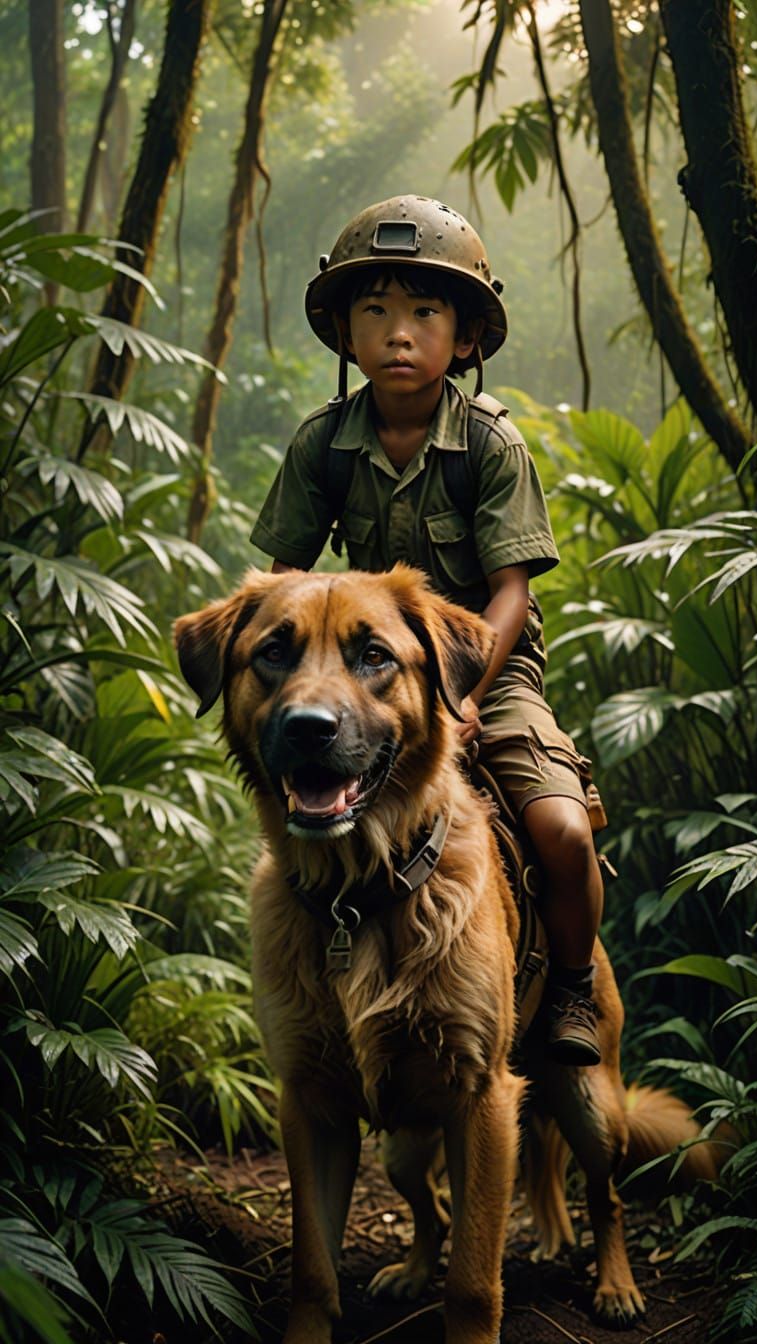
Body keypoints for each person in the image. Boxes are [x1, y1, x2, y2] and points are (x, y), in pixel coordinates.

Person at [250, 194, 605, 1066]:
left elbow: (511, 591)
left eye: (423, 313)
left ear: (467, 336)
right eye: (374, 312)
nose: (398, 334)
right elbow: (284, 581)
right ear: (345, 332)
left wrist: (461, 696)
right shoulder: (324, 444)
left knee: (562, 829)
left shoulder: (489, 445)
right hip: (360, 681)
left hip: (487, 669)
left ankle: (571, 988)